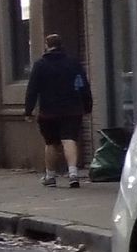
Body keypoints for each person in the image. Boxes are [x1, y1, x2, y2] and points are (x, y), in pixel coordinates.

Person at [23, 33, 93, 186]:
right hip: (72, 109)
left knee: (51, 143)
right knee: (69, 139)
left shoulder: (40, 64)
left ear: (47, 45)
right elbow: (83, 85)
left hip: (48, 111)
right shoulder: (73, 63)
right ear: (61, 45)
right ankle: (73, 173)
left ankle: (50, 176)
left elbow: (32, 89)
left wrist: (28, 110)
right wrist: (87, 105)